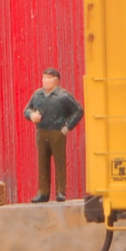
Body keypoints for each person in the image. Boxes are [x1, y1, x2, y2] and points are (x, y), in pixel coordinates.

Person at [23, 67, 84, 203]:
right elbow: (26, 110)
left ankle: (60, 192)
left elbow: (78, 111)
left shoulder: (63, 96)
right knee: (42, 162)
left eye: (50, 78)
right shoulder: (37, 95)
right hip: (41, 131)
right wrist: (31, 115)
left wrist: (68, 127)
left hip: (57, 132)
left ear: (57, 81)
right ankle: (43, 192)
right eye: (44, 78)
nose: (46, 81)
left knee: (59, 162)